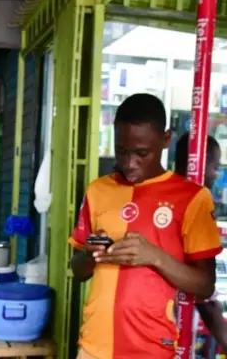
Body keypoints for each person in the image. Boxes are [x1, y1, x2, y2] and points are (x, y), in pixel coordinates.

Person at [69, 93, 222, 359]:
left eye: (142, 153)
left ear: (165, 140)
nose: (130, 163)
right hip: (93, 348)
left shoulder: (192, 198)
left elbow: (205, 285)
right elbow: (78, 270)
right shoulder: (98, 190)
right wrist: (91, 254)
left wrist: (154, 256)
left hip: (153, 351)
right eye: (122, 151)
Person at [174, 132, 227, 349]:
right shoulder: (195, 205)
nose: (216, 175)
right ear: (197, 164)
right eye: (214, 166)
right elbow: (206, 298)